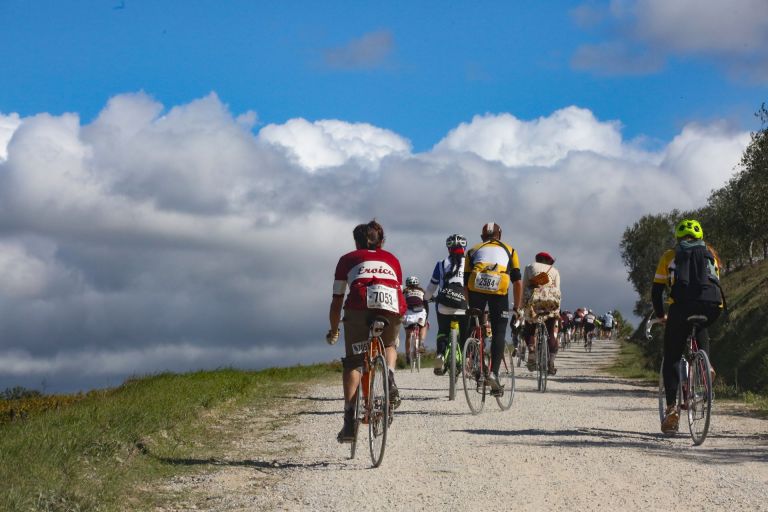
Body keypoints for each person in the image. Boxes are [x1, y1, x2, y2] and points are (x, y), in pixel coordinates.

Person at [326, 220, 406, 443]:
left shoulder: (347, 259)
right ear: (381, 241)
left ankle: (350, 419)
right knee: (389, 345)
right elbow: (397, 288)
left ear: (356, 242)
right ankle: (389, 377)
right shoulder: (392, 259)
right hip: (391, 306)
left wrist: (334, 329)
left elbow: (337, 300)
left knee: (353, 362)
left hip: (359, 305)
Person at [652, 219, 723, 435]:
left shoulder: (670, 255)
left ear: (678, 237)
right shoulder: (711, 253)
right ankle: (706, 366)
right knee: (701, 324)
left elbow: (657, 291)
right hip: (712, 306)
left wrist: (661, 315)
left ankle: (672, 408)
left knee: (672, 354)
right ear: (700, 236)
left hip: (680, 308)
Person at [464, 223, 523, 395]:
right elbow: (517, 282)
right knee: (499, 330)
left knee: (476, 324)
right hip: (499, 290)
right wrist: (517, 308)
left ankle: (474, 359)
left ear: (483, 237)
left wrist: (470, 306)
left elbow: (465, 282)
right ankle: (493, 374)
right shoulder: (510, 250)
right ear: (500, 235)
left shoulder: (473, 250)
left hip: (476, 287)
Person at [424, 234, 469, 375]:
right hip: (464, 305)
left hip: (444, 305)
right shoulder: (470, 263)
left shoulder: (441, 264)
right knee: (465, 332)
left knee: (442, 330)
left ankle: (440, 355)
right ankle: (467, 357)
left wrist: (426, 299)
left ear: (448, 249)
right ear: (464, 248)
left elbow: (432, 287)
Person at [520, 252, 562, 374]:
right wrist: (557, 311)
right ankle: (551, 361)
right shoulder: (555, 271)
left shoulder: (529, 267)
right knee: (551, 333)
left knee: (530, 327)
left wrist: (522, 306)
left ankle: (532, 353)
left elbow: (524, 286)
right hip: (550, 304)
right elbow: (558, 291)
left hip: (534, 303)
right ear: (548, 261)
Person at [402, 275, 429, 365]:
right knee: (424, 325)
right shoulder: (422, 291)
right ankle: (421, 343)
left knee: (408, 335)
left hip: (408, 314)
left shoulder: (404, 292)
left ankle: (407, 355)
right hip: (420, 312)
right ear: (417, 284)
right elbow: (426, 304)